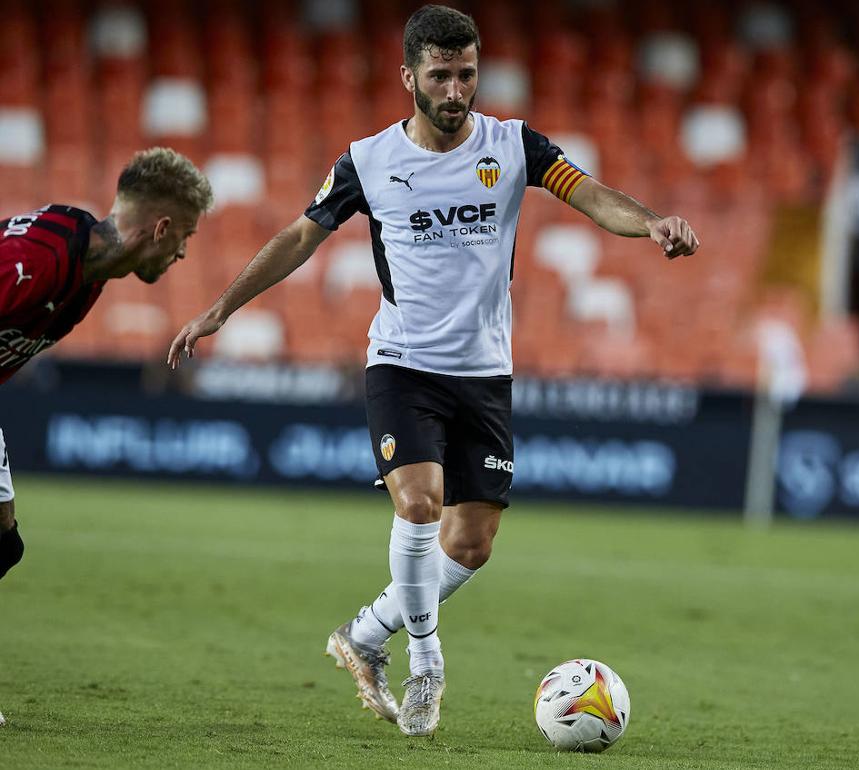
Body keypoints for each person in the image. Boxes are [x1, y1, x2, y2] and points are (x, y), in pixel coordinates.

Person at [167, 4, 699, 737]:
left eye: (467, 74)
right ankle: (426, 665)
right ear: (408, 76)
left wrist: (652, 224)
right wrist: (222, 308)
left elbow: (593, 196)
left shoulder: (513, 146)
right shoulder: (369, 160)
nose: (456, 90)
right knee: (419, 506)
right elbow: (299, 237)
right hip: (403, 364)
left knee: (471, 544)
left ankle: (363, 635)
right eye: (441, 75)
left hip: (485, 374)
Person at [0, 147, 213, 585]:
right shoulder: (37, 264)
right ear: (161, 229)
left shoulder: (89, 271)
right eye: (186, 236)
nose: (184, 254)